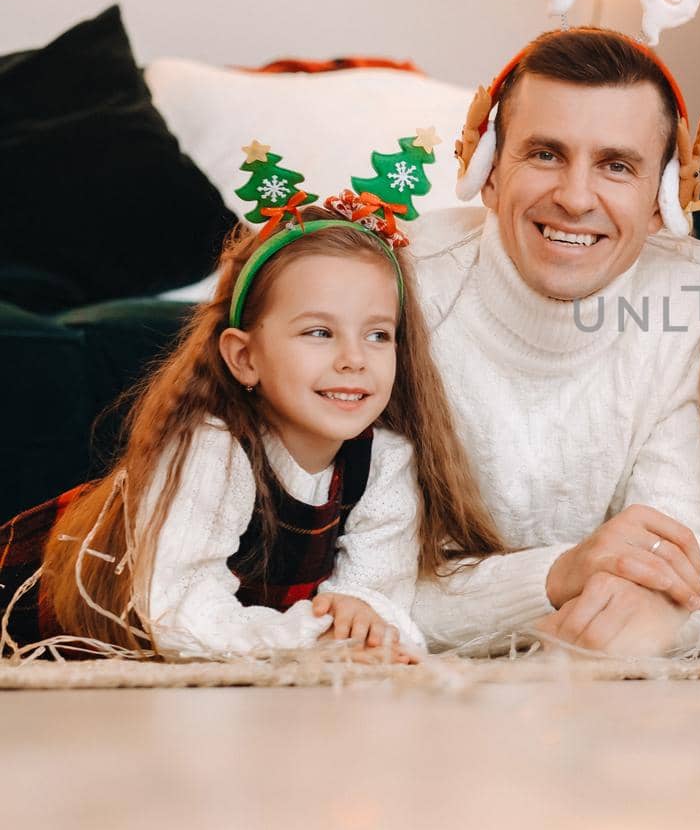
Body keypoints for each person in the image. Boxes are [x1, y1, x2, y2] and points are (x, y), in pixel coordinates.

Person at [0, 204, 503, 661]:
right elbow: (181, 612)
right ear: (245, 357)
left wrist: (362, 622)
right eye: (319, 332)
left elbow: (381, 588)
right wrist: (308, 639)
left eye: (377, 334)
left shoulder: (386, 461)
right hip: (35, 603)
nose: (354, 359)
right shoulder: (212, 447)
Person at [406, 27, 700, 657]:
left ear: (660, 203)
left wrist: (648, 611)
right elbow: (361, 589)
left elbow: (695, 560)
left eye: (616, 166)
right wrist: (558, 578)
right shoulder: (398, 291)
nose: (575, 197)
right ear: (486, 174)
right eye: (545, 155)